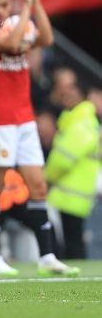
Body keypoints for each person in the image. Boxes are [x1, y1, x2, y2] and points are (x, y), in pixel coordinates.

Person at [0, 0, 78, 276]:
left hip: (24, 120)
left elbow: (46, 38)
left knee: (38, 186)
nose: (1, 11)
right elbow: (13, 42)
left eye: (5, 5)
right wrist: (24, 11)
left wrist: (35, 1)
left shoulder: (17, 24)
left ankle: (47, 256)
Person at [45, 83, 101, 259]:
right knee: (73, 239)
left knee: (72, 241)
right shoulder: (79, 121)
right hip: (74, 192)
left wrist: (46, 177)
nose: (66, 98)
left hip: (70, 193)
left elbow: (63, 159)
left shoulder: (80, 124)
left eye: (71, 95)